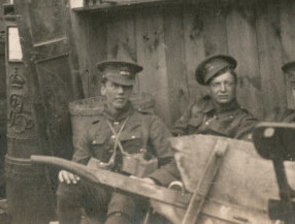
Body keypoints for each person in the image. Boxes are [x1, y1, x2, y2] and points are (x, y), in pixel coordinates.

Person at [56, 60, 179, 224]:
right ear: (103, 88)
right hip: (101, 197)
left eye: (126, 87)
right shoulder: (93, 129)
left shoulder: (149, 123)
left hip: (137, 198)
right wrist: (68, 172)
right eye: (115, 85)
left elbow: (175, 164)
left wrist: (150, 180)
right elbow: (77, 166)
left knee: (123, 192)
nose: (121, 91)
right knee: (67, 186)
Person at [172, 54, 258, 140]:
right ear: (209, 89)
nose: (223, 89)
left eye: (228, 83)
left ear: (235, 86)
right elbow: (175, 136)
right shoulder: (196, 108)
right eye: (216, 84)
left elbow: (242, 152)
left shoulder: (245, 121)